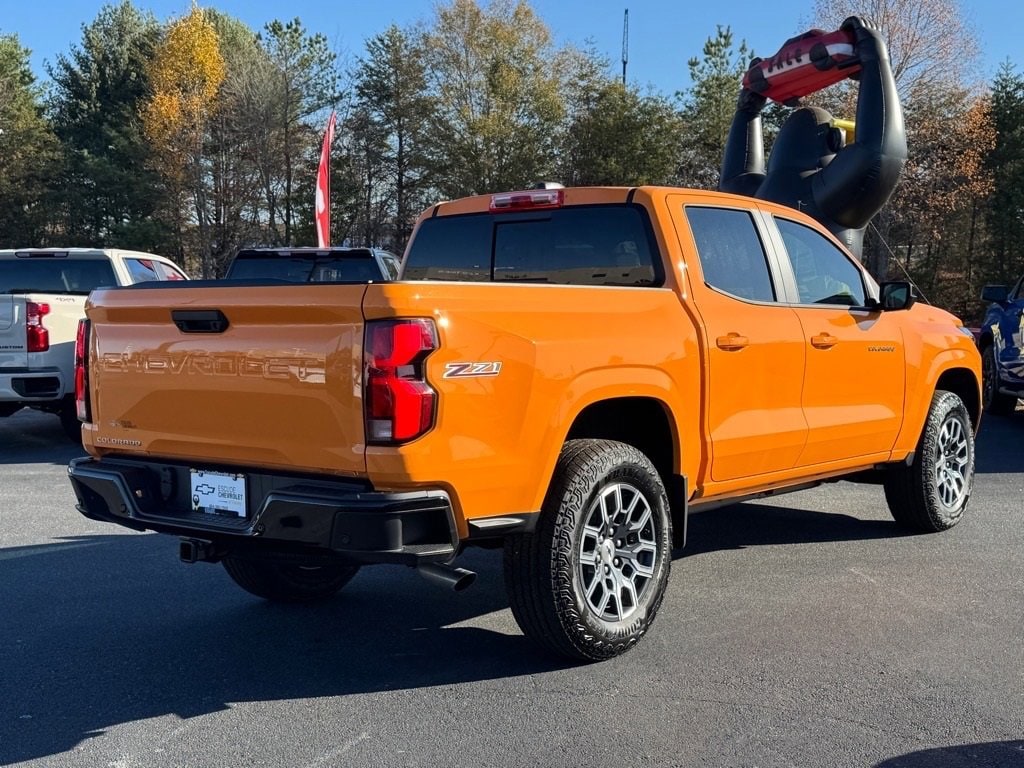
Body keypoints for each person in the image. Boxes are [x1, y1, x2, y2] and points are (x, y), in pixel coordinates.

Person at [719, 16, 907, 259]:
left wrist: (748, 111)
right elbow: (882, 153)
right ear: (833, 140)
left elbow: (735, 178)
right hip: (832, 286)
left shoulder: (759, 195)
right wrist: (876, 58)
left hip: (764, 285)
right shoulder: (826, 194)